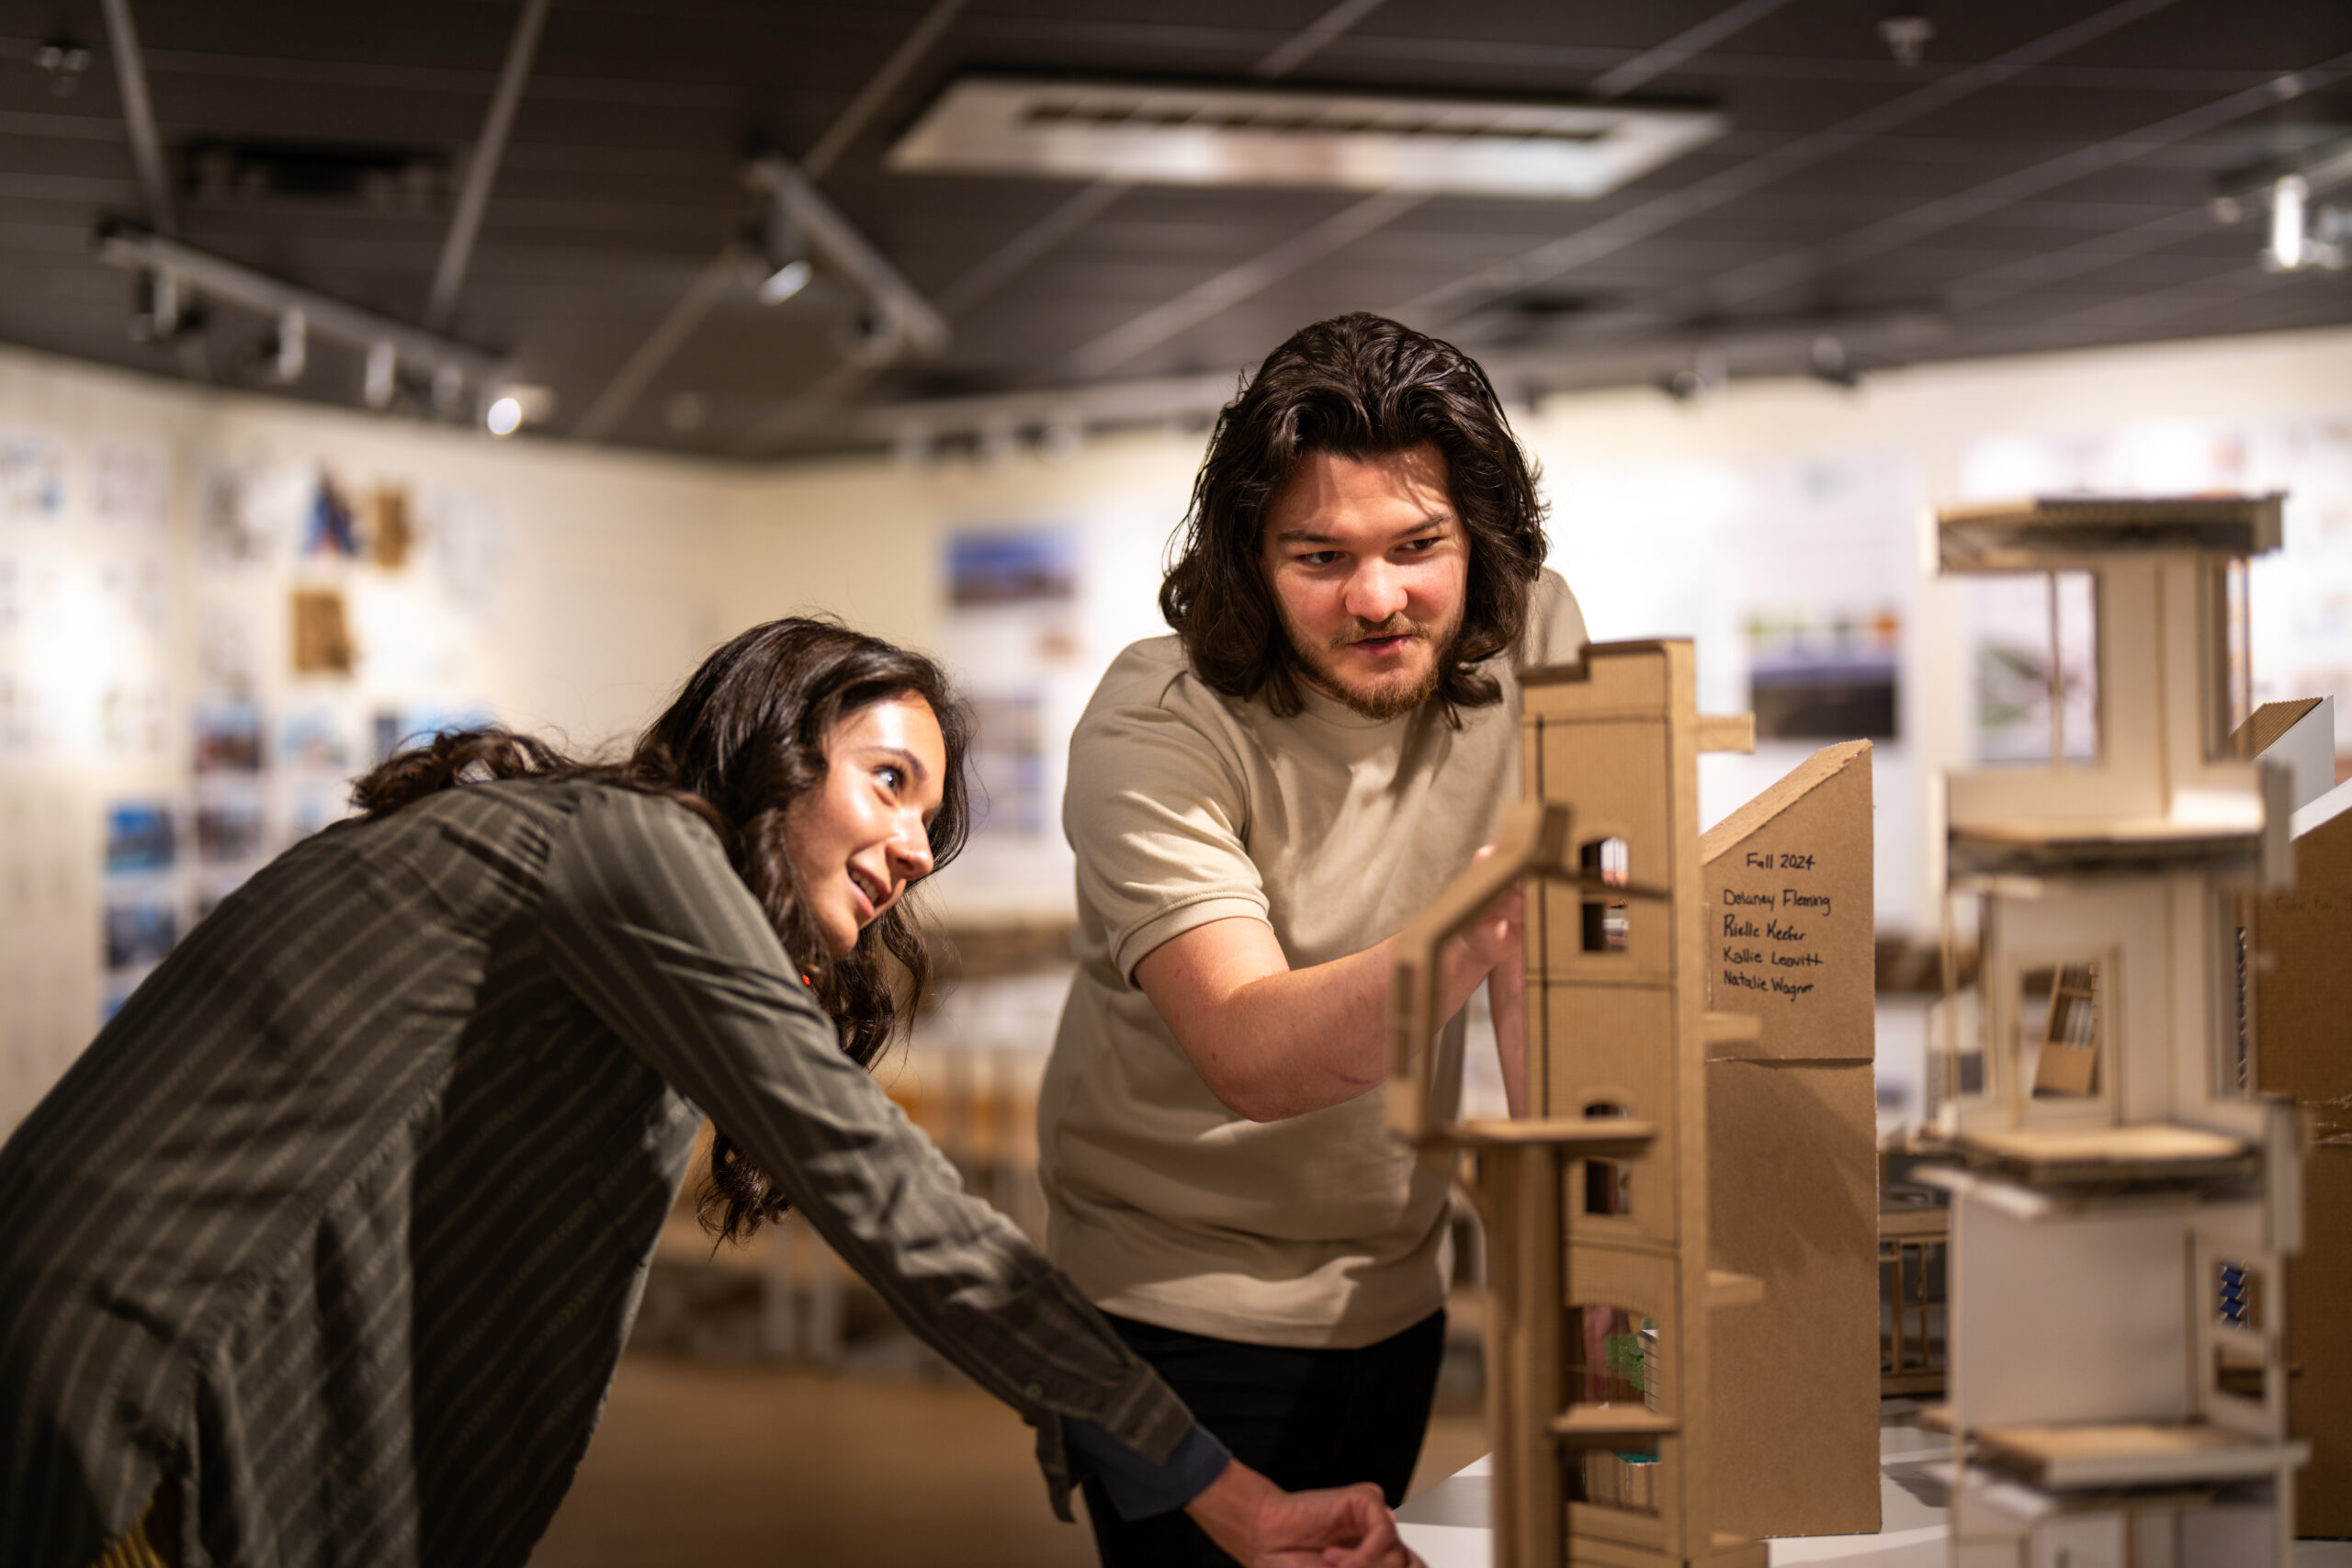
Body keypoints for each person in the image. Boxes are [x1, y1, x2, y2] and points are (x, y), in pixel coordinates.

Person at [0, 618, 1421, 1568]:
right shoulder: (635, 853)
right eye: (888, 781)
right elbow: (890, 1194)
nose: (916, 847)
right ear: (772, 747)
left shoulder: (583, 863)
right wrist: (1216, 1486)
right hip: (142, 1409)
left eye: (932, 818)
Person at [1037, 313, 1589, 1565]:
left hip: (1393, 1287)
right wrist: (1484, 915)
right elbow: (1250, 1051)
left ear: (1480, 541)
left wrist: (1572, 1254)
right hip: (1166, 1306)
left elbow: (1539, 987)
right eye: (1320, 557)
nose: (1379, 597)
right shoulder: (1157, 721)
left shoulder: (1535, 634)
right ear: (1248, 560)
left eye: (1417, 546)